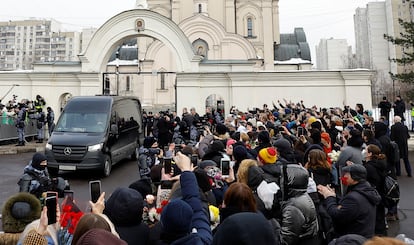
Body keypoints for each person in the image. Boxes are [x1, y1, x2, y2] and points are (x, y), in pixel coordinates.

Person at [156, 152, 212, 245]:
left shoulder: (152, 237)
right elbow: (196, 208)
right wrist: (186, 171)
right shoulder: (203, 240)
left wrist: (166, 182)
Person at [318, 164, 381, 238]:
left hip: (353, 239)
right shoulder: (366, 190)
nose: (344, 176)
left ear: (354, 177)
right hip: (364, 235)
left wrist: (329, 196)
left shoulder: (353, 198)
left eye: (347, 174)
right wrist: (335, 196)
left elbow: (336, 215)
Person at [363, 144, 387, 236]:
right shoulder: (379, 164)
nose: (364, 152)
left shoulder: (369, 167)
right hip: (381, 195)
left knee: (375, 220)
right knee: (380, 219)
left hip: (373, 196)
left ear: (370, 154)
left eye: (365, 150)